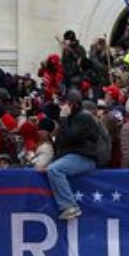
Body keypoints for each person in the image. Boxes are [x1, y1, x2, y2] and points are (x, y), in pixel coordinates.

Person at [46, 89, 98, 220]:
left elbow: (71, 137)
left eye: (64, 103)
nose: (61, 106)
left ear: (72, 104)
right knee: (53, 167)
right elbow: (61, 143)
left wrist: (63, 119)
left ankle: (69, 206)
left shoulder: (83, 117)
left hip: (85, 157)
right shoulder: (71, 118)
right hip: (73, 156)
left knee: (55, 170)